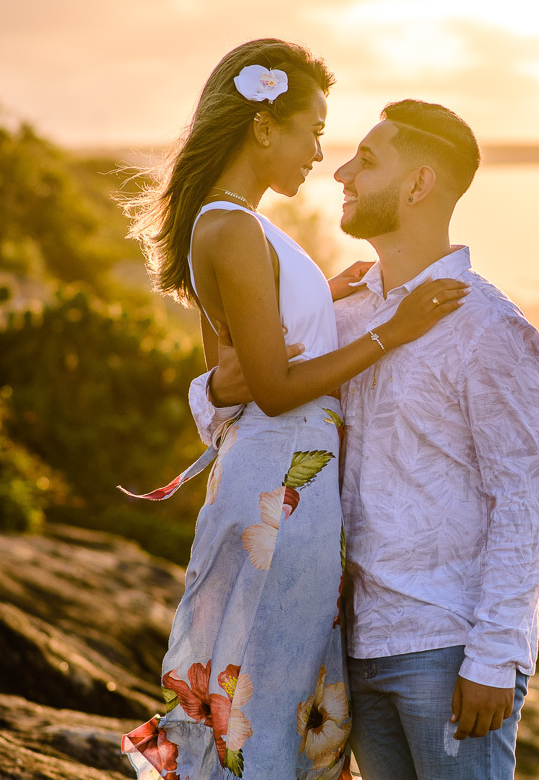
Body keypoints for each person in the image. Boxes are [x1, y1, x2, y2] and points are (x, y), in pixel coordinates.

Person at [119, 40, 466, 780]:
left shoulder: (238, 224)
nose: (318, 153)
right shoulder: (232, 227)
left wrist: (322, 298)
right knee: (266, 696)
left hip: (285, 478)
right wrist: (392, 331)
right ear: (262, 125)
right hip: (281, 482)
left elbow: (236, 372)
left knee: (271, 686)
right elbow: (272, 387)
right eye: (312, 130)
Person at [196, 100, 539, 780]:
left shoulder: (489, 329)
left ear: (418, 184)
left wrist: (494, 656)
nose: (341, 172)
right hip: (353, 646)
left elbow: (527, 504)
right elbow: (241, 408)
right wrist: (215, 389)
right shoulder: (344, 316)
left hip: (447, 646)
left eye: (366, 160)